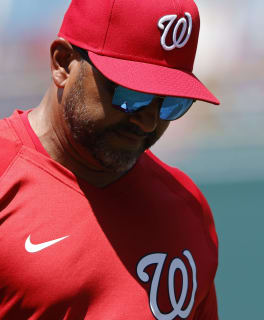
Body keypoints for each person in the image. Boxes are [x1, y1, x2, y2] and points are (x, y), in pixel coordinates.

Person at [0, 0, 220, 319]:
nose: (148, 122)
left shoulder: (186, 207)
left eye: (171, 102)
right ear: (62, 63)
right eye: (131, 95)